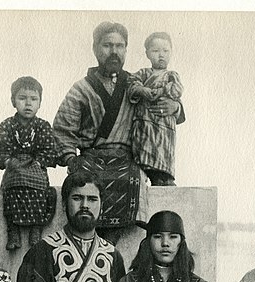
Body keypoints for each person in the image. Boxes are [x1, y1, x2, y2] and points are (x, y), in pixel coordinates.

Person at [53, 21, 185, 245]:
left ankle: (109, 245)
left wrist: (177, 107)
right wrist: (69, 157)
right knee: (83, 187)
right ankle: (86, 241)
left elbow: (164, 100)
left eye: (120, 46)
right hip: (91, 157)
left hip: (127, 158)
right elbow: (62, 128)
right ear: (95, 48)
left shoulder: (136, 83)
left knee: (132, 179)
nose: (114, 52)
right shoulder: (81, 89)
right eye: (107, 45)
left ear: (126, 50)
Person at [0, 76, 58, 251]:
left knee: (41, 193)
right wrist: (8, 161)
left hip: (35, 166)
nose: (28, 104)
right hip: (14, 168)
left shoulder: (43, 126)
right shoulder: (7, 125)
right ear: (13, 101)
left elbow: (50, 150)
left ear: (40, 103)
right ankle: (13, 232)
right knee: (11, 192)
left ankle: (36, 230)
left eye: (33, 99)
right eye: (22, 98)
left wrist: (38, 162)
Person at [127, 32, 184, 186]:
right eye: (156, 51)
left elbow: (178, 91)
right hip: (145, 126)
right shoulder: (143, 73)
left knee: (163, 158)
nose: (161, 55)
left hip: (164, 127)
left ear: (171, 52)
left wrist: (163, 93)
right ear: (147, 53)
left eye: (165, 51)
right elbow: (132, 86)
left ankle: (164, 178)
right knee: (143, 156)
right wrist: (142, 90)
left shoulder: (172, 75)